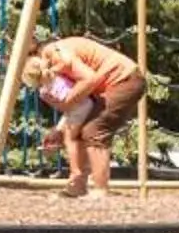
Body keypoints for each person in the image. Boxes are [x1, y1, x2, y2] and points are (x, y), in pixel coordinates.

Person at [21, 35, 146, 203]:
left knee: (94, 131)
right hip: (120, 81)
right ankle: (78, 186)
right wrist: (59, 129)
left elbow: (89, 79)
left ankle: (100, 190)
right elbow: (79, 103)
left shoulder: (56, 53)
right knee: (80, 132)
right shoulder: (57, 58)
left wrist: (66, 102)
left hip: (123, 80)